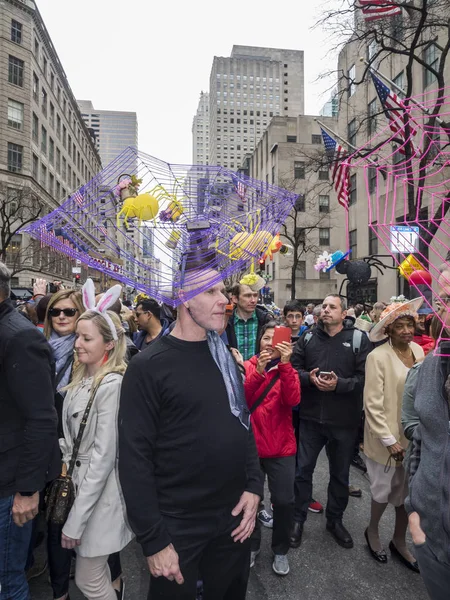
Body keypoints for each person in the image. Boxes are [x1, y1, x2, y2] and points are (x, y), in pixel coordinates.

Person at [118, 247, 263, 600]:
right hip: (177, 523)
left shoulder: (224, 358)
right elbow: (134, 459)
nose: (224, 301)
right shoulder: (148, 367)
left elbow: (242, 427)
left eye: (223, 291)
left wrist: (254, 487)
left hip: (232, 517)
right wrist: (154, 541)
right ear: (182, 296)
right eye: (210, 291)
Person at [59, 280, 133, 600]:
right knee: (96, 574)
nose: (77, 343)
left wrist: (75, 521)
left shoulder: (111, 385)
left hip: (98, 499)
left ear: (108, 344)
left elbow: (102, 460)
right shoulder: (84, 376)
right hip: (83, 492)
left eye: (86, 337)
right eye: (77, 335)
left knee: (88, 580)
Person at [290, 295, 371, 550]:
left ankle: (335, 520)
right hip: (311, 418)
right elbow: (293, 371)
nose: (325, 310)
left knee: (339, 475)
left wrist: (340, 385)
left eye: (331, 307)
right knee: (302, 472)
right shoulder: (309, 338)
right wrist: (308, 379)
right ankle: (297, 519)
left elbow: (364, 378)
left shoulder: (358, 339)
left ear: (343, 312)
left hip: (343, 421)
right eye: (323, 307)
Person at [0, 261, 59, 600]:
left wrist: (26, 490)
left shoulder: (20, 337)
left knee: (8, 580)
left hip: (10, 486)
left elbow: (41, 418)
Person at [363, 297, 424, 571]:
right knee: (383, 491)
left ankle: (400, 540)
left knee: (407, 494)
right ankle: (373, 531)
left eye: (409, 324)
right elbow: (372, 404)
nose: (406, 331)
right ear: (387, 330)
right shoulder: (377, 357)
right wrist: (389, 440)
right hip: (384, 438)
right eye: (399, 326)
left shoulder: (420, 352)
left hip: (414, 438)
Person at [405, 267, 450, 599]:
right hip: (429, 537)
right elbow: (421, 434)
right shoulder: (432, 364)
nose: (444, 311)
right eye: (443, 300)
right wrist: (413, 508)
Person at [244, 322, 300, 575]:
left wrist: (286, 366)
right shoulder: (247, 365)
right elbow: (242, 401)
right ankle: (252, 545)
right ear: (259, 342)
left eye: (275, 339)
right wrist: (258, 370)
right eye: (266, 338)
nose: (270, 343)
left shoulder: (289, 371)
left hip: (281, 448)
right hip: (251, 448)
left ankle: (280, 550)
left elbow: (293, 400)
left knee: (285, 501)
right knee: (251, 501)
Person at [225, 283, 272, 359]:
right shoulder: (226, 321)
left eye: (255, 295)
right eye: (247, 296)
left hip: (260, 369)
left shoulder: (266, 321)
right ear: (235, 299)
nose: (253, 300)